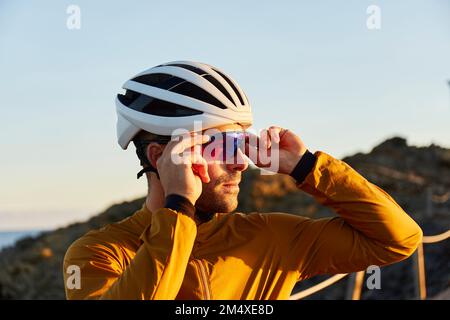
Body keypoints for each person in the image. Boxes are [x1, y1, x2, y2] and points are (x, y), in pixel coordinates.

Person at [63, 61, 422, 299]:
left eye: (241, 144)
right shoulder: (98, 255)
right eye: (219, 146)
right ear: (160, 157)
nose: (241, 164)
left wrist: (307, 167)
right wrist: (179, 208)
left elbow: (398, 240)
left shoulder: (271, 238)